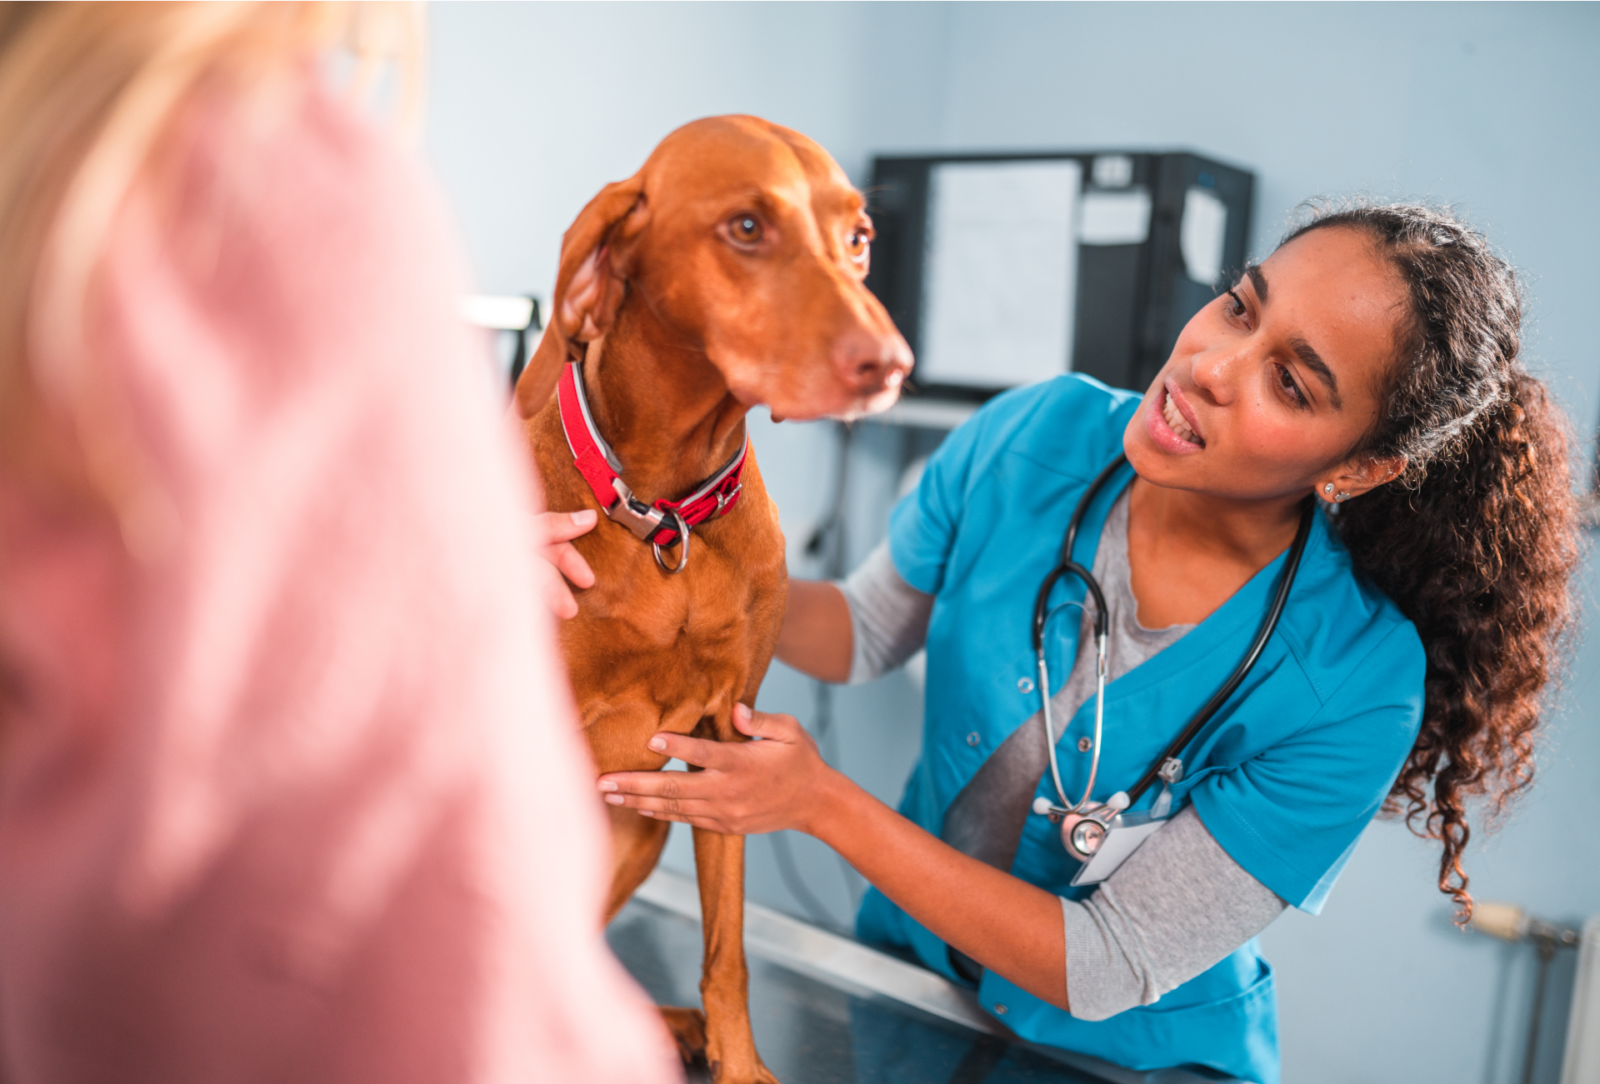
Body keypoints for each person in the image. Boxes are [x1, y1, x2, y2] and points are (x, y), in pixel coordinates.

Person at [597, 201, 1581, 1083]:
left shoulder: (1355, 680)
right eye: (1240, 307)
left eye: (1289, 382)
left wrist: (820, 804)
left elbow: (1107, 963)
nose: (1209, 366)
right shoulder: (1039, 434)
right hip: (913, 990)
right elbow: (859, 631)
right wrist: (640, 561)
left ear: (1359, 466)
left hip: (1129, 1061)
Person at [0, 1, 677, 1081]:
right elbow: (434, 944)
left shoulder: (50, 170)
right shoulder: (247, 181)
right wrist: (395, 579)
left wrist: (374, 550)